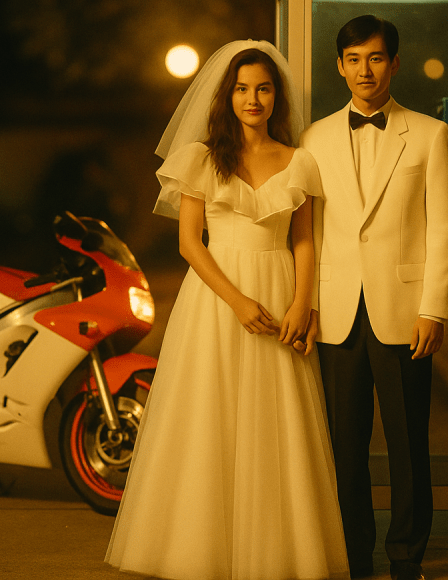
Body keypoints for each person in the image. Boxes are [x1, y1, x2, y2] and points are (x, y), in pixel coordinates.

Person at [105, 40, 349, 580]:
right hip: (217, 300)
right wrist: (238, 302)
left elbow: (304, 241)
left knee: (278, 422)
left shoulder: (299, 161)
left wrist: (302, 303)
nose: (252, 99)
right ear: (227, 96)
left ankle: (278, 553)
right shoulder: (201, 157)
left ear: (276, 96)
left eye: (262, 89)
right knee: (208, 418)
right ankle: (200, 552)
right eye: (241, 89)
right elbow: (190, 243)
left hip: (280, 292)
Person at [300, 16, 448, 580]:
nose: (363, 70)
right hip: (336, 313)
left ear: (393, 63)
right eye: (353, 59)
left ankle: (406, 558)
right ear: (339, 66)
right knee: (345, 447)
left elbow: (444, 229)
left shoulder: (431, 135)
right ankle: (354, 553)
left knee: (408, 444)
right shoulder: (313, 138)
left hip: (405, 311)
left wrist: (434, 308)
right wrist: (306, 303)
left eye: (374, 58)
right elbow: (309, 231)